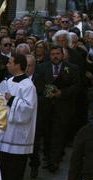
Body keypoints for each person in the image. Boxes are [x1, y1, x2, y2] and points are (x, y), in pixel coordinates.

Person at [34, 45, 81, 173]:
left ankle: (54, 161)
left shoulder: (72, 68)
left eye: (58, 54)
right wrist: (46, 92)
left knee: (59, 135)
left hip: (63, 108)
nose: (55, 56)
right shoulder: (42, 67)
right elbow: (38, 84)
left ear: (62, 55)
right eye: (53, 54)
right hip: (46, 107)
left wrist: (62, 93)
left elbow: (77, 86)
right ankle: (48, 158)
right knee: (47, 135)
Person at [0, 54, 38, 180]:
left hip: (19, 133)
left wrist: (11, 99)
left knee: (15, 163)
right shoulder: (9, 81)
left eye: (10, 62)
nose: (7, 65)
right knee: (3, 159)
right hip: (5, 129)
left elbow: (28, 109)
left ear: (18, 65)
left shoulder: (28, 86)